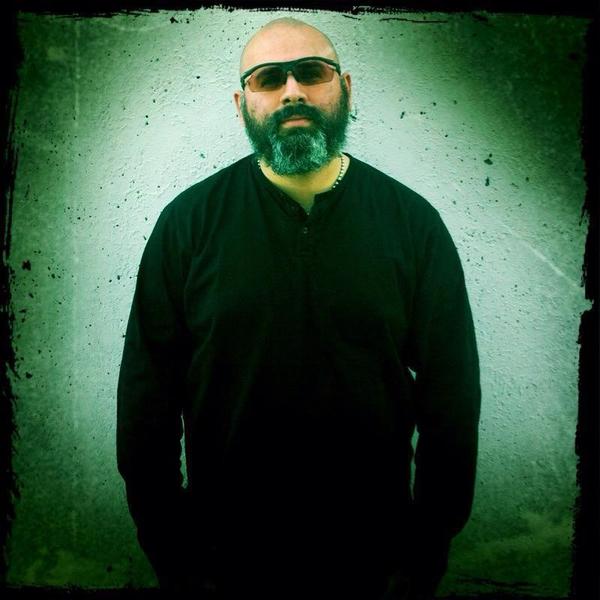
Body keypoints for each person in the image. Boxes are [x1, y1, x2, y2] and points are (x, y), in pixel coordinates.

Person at [117, 16, 481, 600]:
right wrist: (172, 550)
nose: (292, 91)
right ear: (241, 103)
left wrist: (426, 547)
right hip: (223, 559)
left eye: (312, 73)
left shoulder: (413, 225)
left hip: (377, 559)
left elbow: (452, 399)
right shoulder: (187, 225)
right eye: (269, 79)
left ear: (346, 88)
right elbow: (146, 399)